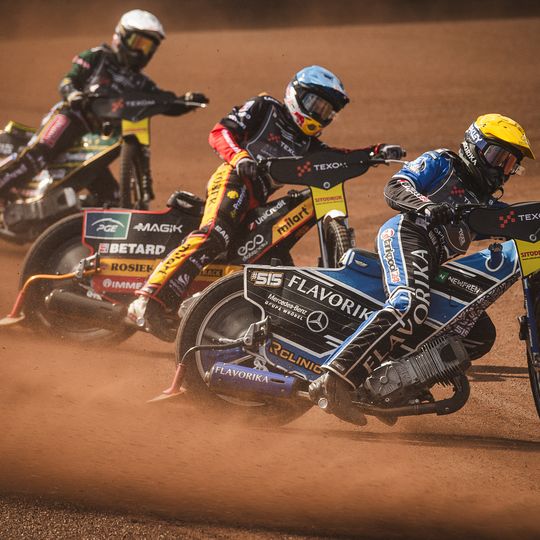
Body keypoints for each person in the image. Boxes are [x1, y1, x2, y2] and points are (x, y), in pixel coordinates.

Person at [127, 65, 404, 339]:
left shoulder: (308, 145)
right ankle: (147, 299)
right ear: (296, 94)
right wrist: (240, 158)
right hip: (233, 181)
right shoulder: (265, 107)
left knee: (275, 258)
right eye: (315, 104)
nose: (318, 114)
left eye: (326, 111)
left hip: (256, 201)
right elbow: (220, 132)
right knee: (214, 234)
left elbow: (336, 158)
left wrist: (375, 153)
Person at [308, 113, 536, 425]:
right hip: (406, 234)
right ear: (474, 147)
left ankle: (396, 385)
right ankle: (334, 379)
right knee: (410, 304)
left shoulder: (485, 205)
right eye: (498, 157)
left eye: (510, 164)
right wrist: (426, 206)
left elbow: (516, 222)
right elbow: (396, 186)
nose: (501, 170)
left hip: (429, 263)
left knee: (479, 334)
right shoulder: (442, 163)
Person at [0, 9, 208, 203]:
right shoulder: (96, 56)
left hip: (98, 142)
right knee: (36, 157)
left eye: (148, 47)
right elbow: (68, 80)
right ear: (121, 36)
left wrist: (185, 101)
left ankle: (72, 220)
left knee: (113, 198)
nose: (142, 52)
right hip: (71, 117)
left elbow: (164, 102)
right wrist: (73, 94)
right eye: (137, 43)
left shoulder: (142, 83)